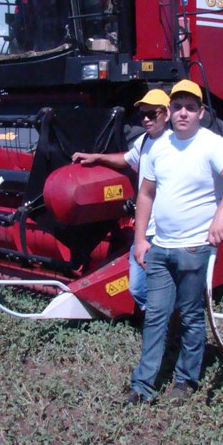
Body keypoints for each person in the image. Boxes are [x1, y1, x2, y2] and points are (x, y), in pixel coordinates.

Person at [127, 79, 223, 403]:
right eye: (177, 106)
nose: (183, 113)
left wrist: (221, 215)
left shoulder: (211, 144)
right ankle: (143, 385)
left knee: (191, 315)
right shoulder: (156, 146)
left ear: (201, 112)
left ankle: (185, 380)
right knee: (154, 315)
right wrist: (140, 239)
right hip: (160, 247)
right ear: (170, 111)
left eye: (190, 107)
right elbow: (146, 193)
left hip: (194, 248)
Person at [72, 89, 170, 311]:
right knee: (137, 287)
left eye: (152, 114)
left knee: (165, 283)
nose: (145, 119)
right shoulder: (145, 141)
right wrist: (97, 157)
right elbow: (127, 159)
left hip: (167, 230)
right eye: (142, 114)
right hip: (145, 228)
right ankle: (162, 318)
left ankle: (164, 325)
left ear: (167, 114)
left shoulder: (175, 145)